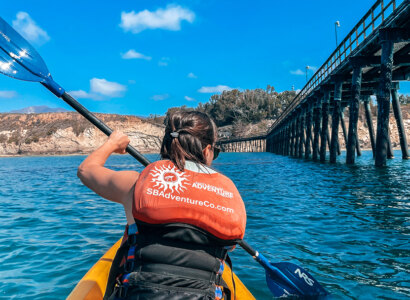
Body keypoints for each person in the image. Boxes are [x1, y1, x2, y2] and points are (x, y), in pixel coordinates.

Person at [77, 111, 246, 300]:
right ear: (207, 151)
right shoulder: (227, 195)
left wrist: (112, 144)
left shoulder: (135, 183)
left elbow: (86, 170)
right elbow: (228, 247)